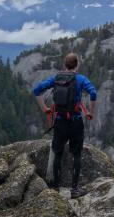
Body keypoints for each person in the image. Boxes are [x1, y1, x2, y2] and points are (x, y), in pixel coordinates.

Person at [33, 53, 97, 198]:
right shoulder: (80, 79)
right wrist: (90, 112)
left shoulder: (56, 78)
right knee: (77, 154)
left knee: (57, 153)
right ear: (77, 64)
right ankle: (74, 190)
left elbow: (37, 90)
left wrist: (45, 109)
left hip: (60, 121)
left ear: (65, 65)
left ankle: (55, 188)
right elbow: (93, 93)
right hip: (75, 121)